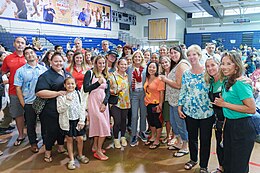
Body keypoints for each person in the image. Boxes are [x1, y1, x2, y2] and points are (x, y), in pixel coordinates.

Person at [212, 51, 256, 173]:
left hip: (242, 127)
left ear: (236, 66)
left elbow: (251, 109)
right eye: (222, 63)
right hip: (230, 125)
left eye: (228, 64)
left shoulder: (240, 83)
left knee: (238, 166)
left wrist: (224, 104)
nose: (224, 67)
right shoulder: (228, 81)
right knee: (229, 163)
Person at [178, 45, 214, 173]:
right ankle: (193, 159)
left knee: (205, 139)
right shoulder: (186, 74)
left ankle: (203, 165)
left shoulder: (208, 71)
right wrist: (180, 106)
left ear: (199, 56)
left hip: (207, 113)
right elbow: (183, 90)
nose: (192, 57)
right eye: (189, 55)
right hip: (190, 111)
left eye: (194, 54)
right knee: (192, 137)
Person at [35, 52, 71, 162]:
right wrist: (58, 93)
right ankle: (47, 152)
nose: (58, 63)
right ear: (50, 62)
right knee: (50, 132)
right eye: (56, 61)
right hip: (50, 109)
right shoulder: (46, 76)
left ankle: (60, 147)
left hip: (63, 108)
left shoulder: (66, 73)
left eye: (60, 61)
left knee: (61, 129)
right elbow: (39, 92)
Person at [14, 47, 47, 153]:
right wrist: (22, 102)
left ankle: (46, 141)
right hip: (29, 101)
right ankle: (33, 143)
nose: (30, 55)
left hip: (43, 101)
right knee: (30, 124)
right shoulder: (20, 71)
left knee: (45, 123)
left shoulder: (43, 69)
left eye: (31, 52)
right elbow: (18, 87)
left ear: (35, 54)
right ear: (25, 56)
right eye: (27, 53)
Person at [160, 46, 190, 155]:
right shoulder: (176, 64)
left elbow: (179, 85)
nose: (173, 55)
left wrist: (165, 79)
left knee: (180, 124)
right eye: (171, 53)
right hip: (172, 100)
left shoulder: (182, 65)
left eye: (175, 52)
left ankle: (185, 146)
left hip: (179, 101)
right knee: (174, 123)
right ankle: (179, 142)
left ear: (180, 52)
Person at [57, 77, 89, 170]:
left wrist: (82, 120)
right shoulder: (61, 96)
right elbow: (59, 110)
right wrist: (67, 101)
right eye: (68, 84)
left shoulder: (79, 94)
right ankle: (71, 159)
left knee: (80, 139)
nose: (70, 86)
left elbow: (82, 108)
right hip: (67, 122)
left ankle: (80, 155)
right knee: (69, 140)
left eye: (72, 84)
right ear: (64, 85)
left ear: (75, 85)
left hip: (78, 120)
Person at [83, 55, 110, 161]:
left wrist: (105, 103)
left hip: (102, 103)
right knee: (103, 126)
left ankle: (95, 146)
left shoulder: (106, 74)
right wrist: (98, 83)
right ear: (95, 63)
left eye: (104, 63)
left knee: (100, 125)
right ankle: (98, 151)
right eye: (100, 63)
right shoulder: (90, 73)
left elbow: (107, 92)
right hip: (93, 101)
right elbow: (86, 88)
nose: (102, 65)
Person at [2, 37, 27, 146]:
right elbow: (2, 72)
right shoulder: (8, 58)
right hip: (14, 91)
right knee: (18, 114)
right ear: (14, 44)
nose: (20, 44)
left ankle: (32, 135)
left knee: (32, 115)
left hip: (29, 92)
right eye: (18, 42)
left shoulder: (29, 56)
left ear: (25, 45)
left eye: (22, 43)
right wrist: (6, 79)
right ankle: (21, 134)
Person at [204, 56, 224, 173]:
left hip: (228, 119)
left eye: (213, 65)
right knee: (219, 145)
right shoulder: (211, 82)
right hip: (218, 121)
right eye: (207, 66)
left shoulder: (227, 80)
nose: (210, 68)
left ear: (218, 65)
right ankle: (221, 167)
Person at [127, 50, 148, 147]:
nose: (137, 58)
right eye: (136, 57)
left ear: (142, 58)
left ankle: (142, 131)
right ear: (133, 58)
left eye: (139, 57)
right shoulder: (129, 69)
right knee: (134, 115)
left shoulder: (145, 68)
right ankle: (134, 134)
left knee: (143, 114)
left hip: (143, 93)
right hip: (134, 94)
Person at [109, 58, 130, 148]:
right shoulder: (112, 76)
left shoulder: (128, 76)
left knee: (123, 121)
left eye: (125, 64)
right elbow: (107, 89)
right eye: (122, 64)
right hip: (116, 102)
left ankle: (123, 137)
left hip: (126, 102)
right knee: (117, 121)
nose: (123, 66)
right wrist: (116, 91)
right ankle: (116, 139)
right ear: (117, 65)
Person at [143, 62, 165, 149]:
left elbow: (161, 93)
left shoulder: (159, 79)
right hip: (148, 103)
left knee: (157, 122)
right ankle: (152, 136)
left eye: (153, 67)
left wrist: (160, 104)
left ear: (157, 69)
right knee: (151, 121)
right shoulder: (147, 78)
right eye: (150, 67)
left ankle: (157, 139)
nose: (151, 69)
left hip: (155, 104)